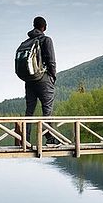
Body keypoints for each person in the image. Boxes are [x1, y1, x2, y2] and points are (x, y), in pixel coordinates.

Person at [24, 16, 58, 145]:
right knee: (47, 110)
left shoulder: (26, 42)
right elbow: (51, 61)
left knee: (29, 111)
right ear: (44, 27)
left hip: (29, 79)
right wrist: (52, 76)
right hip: (44, 79)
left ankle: (25, 139)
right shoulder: (46, 40)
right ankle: (50, 139)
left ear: (33, 25)